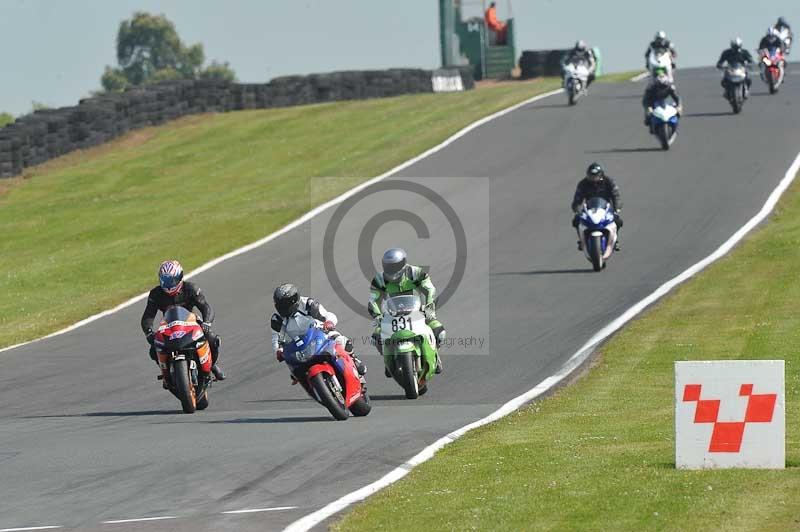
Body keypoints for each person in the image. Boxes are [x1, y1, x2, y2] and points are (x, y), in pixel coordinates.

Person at [141, 260, 225, 381]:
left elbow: (206, 307)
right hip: (168, 325)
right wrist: (148, 331)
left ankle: (212, 365)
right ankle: (167, 373)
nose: (169, 285)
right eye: (165, 281)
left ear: (180, 277)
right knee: (154, 350)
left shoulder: (191, 288)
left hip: (192, 322)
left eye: (172, 280)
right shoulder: (156, 294)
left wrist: (207, 322)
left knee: (212, 339)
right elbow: (148, 316)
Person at [368, 248, 444, 374]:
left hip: (417, 311)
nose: (391, 270)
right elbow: (373, 300)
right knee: (376, 337)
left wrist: (429, 307)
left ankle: (435, 354)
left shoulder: (415, 273)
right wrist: (378, 316)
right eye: (388, 267)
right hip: (392, 314)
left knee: (439, 332)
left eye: (395, 266)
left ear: (403, 264)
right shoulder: (379, 280)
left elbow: (429, 289)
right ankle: (388, 361)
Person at [271, 283, 366, 382]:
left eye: (285, 304)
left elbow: (327, 314)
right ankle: (309, 385)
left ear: (294, 300)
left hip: (318, 333)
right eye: (279, 304)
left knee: (340, 340)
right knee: (293, 369)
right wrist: (278, 350)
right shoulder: (277, 319)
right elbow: (276, 338)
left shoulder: (308, 304)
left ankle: (354, 360)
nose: (282, 307)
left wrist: (329, 322)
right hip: (298, 345)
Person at [571, 163, 623, 251]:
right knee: (576, 220)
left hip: (606, 208)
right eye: (591, 176)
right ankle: (582, 240)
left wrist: (616, 208)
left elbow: (616, 195)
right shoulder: (583, 184)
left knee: (618, 221)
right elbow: (577, 198)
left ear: (601, 175)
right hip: (590, 209)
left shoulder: (608, 181)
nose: (593, 178)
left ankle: (615, 240)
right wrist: (576, 208)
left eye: (596, 176)